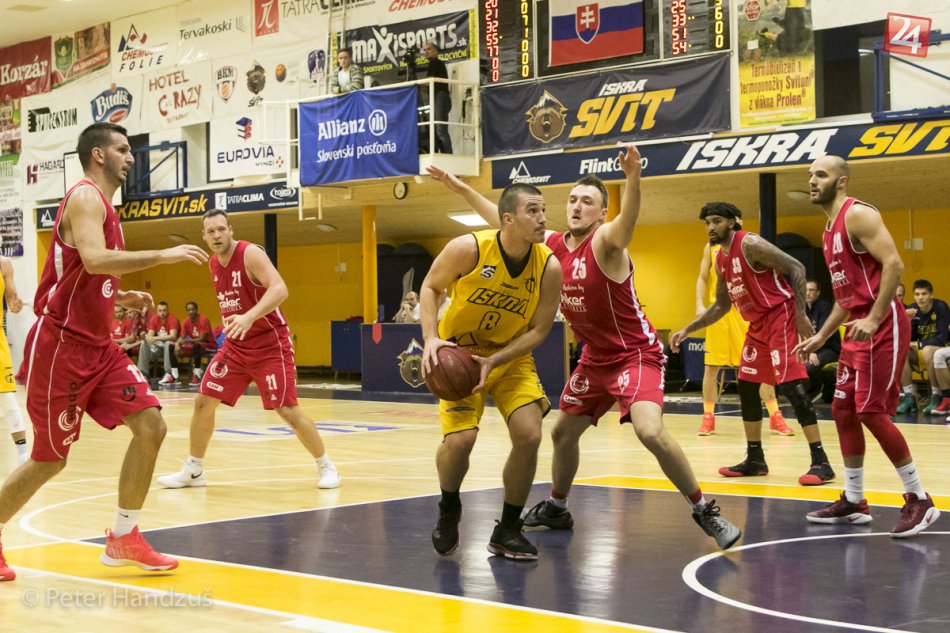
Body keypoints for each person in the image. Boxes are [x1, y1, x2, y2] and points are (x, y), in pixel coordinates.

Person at [427, 147, 741, 553]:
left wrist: (633, 178)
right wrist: (460, 189)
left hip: (634, 353)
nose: (576, 206)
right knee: (562, 433)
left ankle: (704, 510)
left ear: (602, 213)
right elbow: (503, 219)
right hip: (595, 358)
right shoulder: (552, 246)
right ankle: (557, 507)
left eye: (587, 202)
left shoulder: (607, 241)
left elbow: (628, 223)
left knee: (648, 430)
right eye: (573, 199)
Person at [0, 122, 208, 582]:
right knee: (50, 459)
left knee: (151, 425)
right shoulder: (85, 198)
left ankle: (124, 536)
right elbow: (94, 259)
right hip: (62, 347)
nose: (130, 157)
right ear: (98, 155)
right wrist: (162, 256)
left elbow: (85, 273)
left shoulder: (107, 209)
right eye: (122, 149)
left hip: (99, 346)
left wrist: (119, 296)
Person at [796, 154, 938, 537]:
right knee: (842, 409)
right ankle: (855, 500)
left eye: (821, 175)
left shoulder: (858, 215)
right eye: (810, 175)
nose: (812, 181)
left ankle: (919, 498)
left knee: (871, 412)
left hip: (882, 324)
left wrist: (874, 318)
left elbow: (894, 264)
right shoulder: (828, 230)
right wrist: (822, 335)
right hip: (856, 328)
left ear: (841, 182)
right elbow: (846, 297)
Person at [420, 182, 562, 561]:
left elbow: (540, 330)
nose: (542, 218)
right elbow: (431, 287)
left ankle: (508, 529)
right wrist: (431, 339)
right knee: (460, 443)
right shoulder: (468, 249)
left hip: (510, 357)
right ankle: (449, 505)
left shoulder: (549, 266)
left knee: (530, 435)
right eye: (533, 210)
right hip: (460, 354)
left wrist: (496, 360)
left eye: (543, 210)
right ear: (508, 219)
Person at [157, 210, 340, 491]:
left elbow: (280, 289)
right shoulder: (214, 263)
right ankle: (194, 470)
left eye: (221, 229)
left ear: (231, 229)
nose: (216, 235)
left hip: (270, 345)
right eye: (210, 231)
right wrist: (237, 321)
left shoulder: (250, 254)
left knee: (287, 410)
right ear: (204, 236)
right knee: (203, 402)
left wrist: (249, 317)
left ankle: (326, 466)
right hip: (236, 347)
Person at [670, 202, 835, 487]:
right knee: (746, 385)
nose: (710, 227)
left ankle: (821, 462)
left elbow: (796, 267)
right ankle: (755, 459)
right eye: (707, 222)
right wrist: (688, 329)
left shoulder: (750, 244)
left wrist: (799, 314)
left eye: (716, 221)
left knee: (790, 386)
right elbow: (721, 306)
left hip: (780, 315)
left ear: (732, 222)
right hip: (757, 324)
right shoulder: (720, 259)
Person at [695, 239, 793, 436]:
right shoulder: (711, 247)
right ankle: (707, 418)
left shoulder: (747, 245)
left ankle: (775, 417)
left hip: (744, 311)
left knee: (758, 366)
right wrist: (699, 304)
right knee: (711, 367)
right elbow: (702, 277)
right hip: (718, 313)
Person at [896, 280, 949, 414]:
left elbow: (942, 337)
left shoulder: (940, 307)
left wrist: (919, 344)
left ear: (931, 295)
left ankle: (936, 395)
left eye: (924, 294)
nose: (920, 298)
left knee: (927, 350)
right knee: (901, 350)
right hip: (921, 351)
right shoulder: (913, 309)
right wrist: (907, 320)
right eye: (917, 294)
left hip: (941, 349)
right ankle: (910, 397)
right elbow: (910, 338)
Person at [0, 257, 27, 465]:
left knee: (7, 397)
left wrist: (15, 303)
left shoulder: (4, 264)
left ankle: (23, 455)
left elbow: (11, 298)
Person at [804, 279, 840, 401]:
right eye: (805, 290)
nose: (807, 293)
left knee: (810, 366)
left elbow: (822, 334)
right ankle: (825, 385)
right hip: (813, 348)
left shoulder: (825, 307)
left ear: (818, 292)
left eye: (811, 290)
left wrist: (812, 351)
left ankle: (816, 388)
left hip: (830, 348)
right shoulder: (802, 309)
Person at [137, 301, 180, 385]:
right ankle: (143, 374)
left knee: (167, 343)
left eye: (164, 310)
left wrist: (155, 338)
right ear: (157, 311)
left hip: (172, 346)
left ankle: (168, 374)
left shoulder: (172, 319)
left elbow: (173, 336)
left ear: (168, 311)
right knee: (144, 344)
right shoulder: (154, 318)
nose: (162, 313)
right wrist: (145, 337)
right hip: (159, 346)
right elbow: (150, 336)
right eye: (160, 311)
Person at [175, 301, 215, 386]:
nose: (191, 312)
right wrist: (177, 344)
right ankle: (174, 376)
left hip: (209, 345)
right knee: (171, 346)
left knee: (197, 345)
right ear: (186, 311)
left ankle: (197, 375)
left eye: (193, 309)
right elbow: (182, 337)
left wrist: (188, 341)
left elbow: (202, 339)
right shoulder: (186, 321)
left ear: (196, 310)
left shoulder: (203, 320)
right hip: (195, 345)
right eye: (189, 310)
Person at [423, 41, 453, 154]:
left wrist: (416, 84)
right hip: (438, 97)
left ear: (436, 51)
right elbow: (427, 86)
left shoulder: (436, 62)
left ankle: (449, 155)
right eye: (424, 50)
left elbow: (428, 82)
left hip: (440, 97)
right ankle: (445, 154)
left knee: (440, 130)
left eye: (429, 49)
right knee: (437, 131)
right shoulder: (433, 64)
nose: (426, 52)